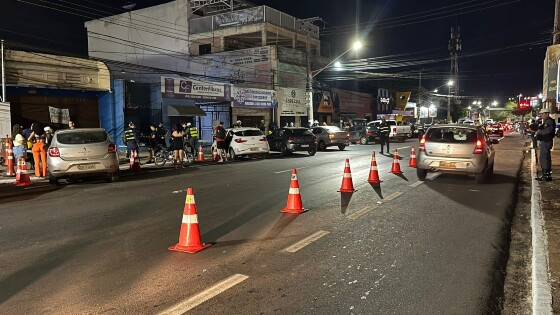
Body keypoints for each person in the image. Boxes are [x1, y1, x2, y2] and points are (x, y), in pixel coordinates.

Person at [535, 108, 556, 181]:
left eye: (542, 114)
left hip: (546, 141)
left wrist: (539, 132)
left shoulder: (549, 121)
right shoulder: (547, 121)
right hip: (545, 141)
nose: (541, 115)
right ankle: (546, 174)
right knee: (545, 157)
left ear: (546, 114)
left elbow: (547, 130)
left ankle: (546, 175)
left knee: (544, 157)